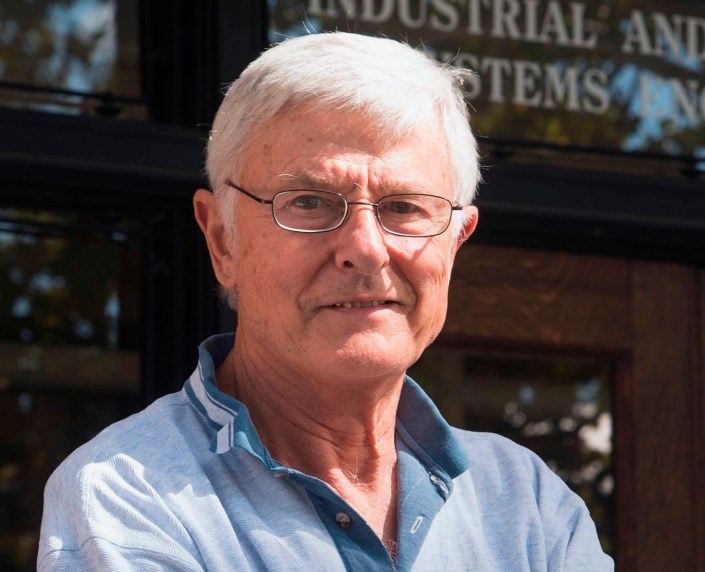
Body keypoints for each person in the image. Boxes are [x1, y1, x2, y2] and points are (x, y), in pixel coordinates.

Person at [38, 32, 613, 571]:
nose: (365, 249)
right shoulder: (127, 497)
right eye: (309, 202)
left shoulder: (528, 505)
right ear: (221, 240)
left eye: (405, 207)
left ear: (456, 241)